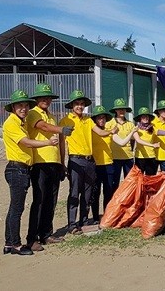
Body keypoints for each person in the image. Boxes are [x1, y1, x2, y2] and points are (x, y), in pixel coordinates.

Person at [3, 90, 59, 255]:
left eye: (26, 105)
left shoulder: (21, 122)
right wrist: (48, 142)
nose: (24, 108)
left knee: (15, 207)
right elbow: (26, 142)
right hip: (17, 168)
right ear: (13, 107)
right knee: (17, 208)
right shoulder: (11, 123)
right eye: (20, 105)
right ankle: (16, 244)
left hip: (22, 168)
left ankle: (9, 243)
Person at [59, 90, 114, 234]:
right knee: (74, 193)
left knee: (87, 194)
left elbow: (101, 132)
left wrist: (111, 131)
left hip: (90, 161)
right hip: (75, 160)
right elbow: (61, 144)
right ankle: (72, 224)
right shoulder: (65, 121)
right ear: (72, 105)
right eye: (77, 103)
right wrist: (62, 163)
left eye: (82, 104)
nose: (80, 106)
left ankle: (84, 221)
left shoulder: (89, 120)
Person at [25, 83, 72, 251]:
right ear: (36, 99)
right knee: (39, 200)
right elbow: (42, 127)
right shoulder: (32, 113)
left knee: (51, 200)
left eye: (48, 98)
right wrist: (62, 129)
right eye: (43, 97)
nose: (46, 100)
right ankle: (32, 238)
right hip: (40, 163)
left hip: (53, 163)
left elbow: (60, 140)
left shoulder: (52, 116)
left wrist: (62, 163)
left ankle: (46, 234)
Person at [90, 105, 114, 224]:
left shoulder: (109, 130)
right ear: (95, 119)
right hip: (95, 164)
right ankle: (95, 217)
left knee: (108, 191)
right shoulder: (92, 131)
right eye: (99, 118)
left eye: (103, 118)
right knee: (95, 192)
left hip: (108, 163)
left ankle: (107, 215)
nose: (102, 120)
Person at [106, 98, 136, 186]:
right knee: (115, 182)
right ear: (115, 110)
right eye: (119, 109)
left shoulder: (130, 124)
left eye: (123, 109)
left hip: (128, 158)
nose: (121, 111)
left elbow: (133, 141)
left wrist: (131, 150)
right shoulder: (110, 123)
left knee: (129, 182)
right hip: (115, 158)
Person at [132, 107, 160, 175]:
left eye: (147, 116)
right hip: (140, 157)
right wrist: (153, 145)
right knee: (139, 179)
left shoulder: (152, 128)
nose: (145, 118)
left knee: (150, 180)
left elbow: (163, 132)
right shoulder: (136, 128)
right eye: (143, 116)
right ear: (140, 118)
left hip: (151, 156)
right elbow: (138, 140)